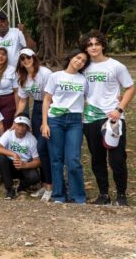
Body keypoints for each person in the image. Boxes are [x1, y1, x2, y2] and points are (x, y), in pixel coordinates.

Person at [80, 31, 136, 206]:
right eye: (90, 45)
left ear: (103, 45)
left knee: (117, 159)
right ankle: (103, 195)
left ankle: (121, 195)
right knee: (97, 159)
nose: (93, 47)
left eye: (97, 44)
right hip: (90, 118)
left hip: (113, 118)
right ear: (86, 48)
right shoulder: (83, 67)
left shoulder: (116, 66)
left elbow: (130, 88)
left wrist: (119, 109)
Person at [41, 49, 90, 204]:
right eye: (78, 58)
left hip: (75, 122)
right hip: (55, 120)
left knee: (73, 159)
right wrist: (44, 123)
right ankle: (59, 196)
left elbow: (90, 99)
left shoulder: (83, 80)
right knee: (56, 159)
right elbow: (47, 100)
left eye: (83, 61)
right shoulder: (55, 76)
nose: (79, 62)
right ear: (70, 57)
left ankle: (78, 197)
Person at [15, 48, 53, 202]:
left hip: (50, 107)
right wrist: (16, 119)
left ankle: (51, 185)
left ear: (34, 57)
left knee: (46, 147)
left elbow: (51, 96)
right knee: (39, 149)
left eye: (28, 57)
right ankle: (45, 184)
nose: (26, 60)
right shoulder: (23, 77)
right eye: (22, 58)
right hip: (37, 107)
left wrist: (46, 119)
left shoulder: (45, 73)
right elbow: (23, 100)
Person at [0, 114, 41, 200]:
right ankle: (9, 188)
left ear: (27, 127)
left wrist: (25, 165)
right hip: (10, 164)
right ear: (14, 124)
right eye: (19, 124)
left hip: (24, 165)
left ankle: (21, 186)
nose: (21, 128)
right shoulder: (9, 133)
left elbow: (37, 161)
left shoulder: (32, 139)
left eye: (24, 125)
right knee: (0, 158)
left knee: (35, 177)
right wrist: (13, 154)